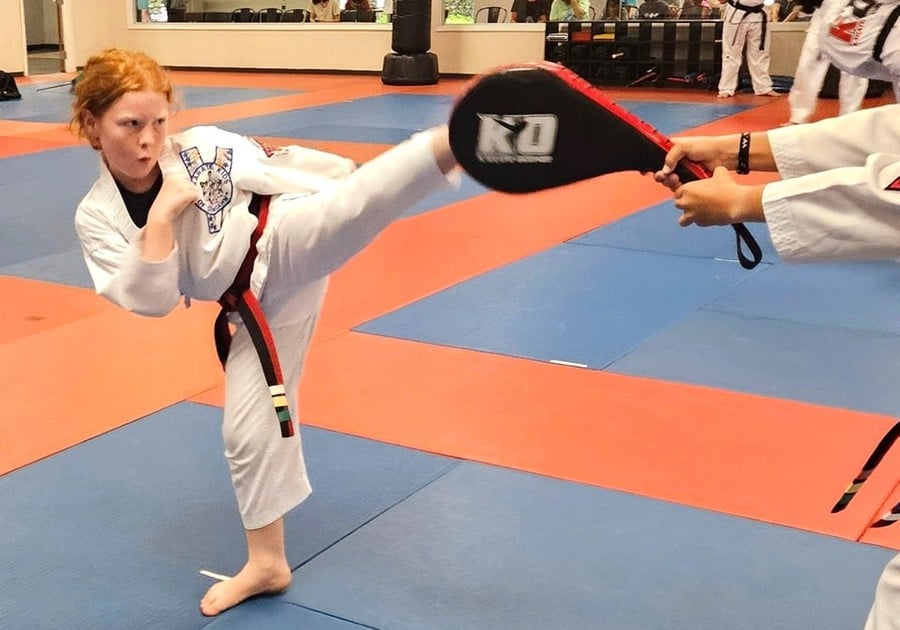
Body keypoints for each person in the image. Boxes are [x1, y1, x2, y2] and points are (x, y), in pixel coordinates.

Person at [69, 48, 458, 617]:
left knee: (351, 207)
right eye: (130, 125)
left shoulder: (201, 149)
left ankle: (458, 137)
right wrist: (158, 220)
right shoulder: (95, 215)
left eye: (158, 121)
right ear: (91, 125)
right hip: (249, 302)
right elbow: (151, 303)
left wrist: (338, 174)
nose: (149, 140)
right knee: (247, 430)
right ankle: (268, 564)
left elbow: (280, 162)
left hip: (281, 236)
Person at [782, 0, 869, 125]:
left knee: (853, 71)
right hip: (824, 13)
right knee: (807, 65)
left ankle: (850, 118)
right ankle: (799, 117)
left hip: (853, 14)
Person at [717, 0, 780, 97]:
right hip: (737, 14)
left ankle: (763, 87)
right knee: (731, 54)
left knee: (760, 53)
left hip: (760, 14)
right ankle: (726, 88)